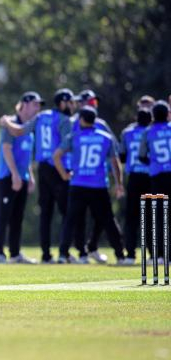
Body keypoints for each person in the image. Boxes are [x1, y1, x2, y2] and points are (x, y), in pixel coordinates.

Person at [0, 88, 74, 264]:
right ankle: (64, 253)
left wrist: (5, 122)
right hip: (58, 167)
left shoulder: (41, 117)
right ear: (62, 103)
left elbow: (18, 131)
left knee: (46, 214)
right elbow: (65, 147)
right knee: (67, 212)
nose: (73, 105)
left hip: (43, 169)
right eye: (70, 102)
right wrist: (64, 171)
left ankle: (46, 254)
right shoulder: (65, 120)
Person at [54, 106, 127, 265]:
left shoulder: (74, 136)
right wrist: (119, 183)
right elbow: (115, 163)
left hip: (78, 184)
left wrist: (64, 175)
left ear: (81, 119)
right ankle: (121, 255)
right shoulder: (105, 137)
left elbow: (57, 156)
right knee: (108, 220)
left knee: (71, 220)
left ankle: (62, 254)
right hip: (98, 185)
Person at [0, 92, 43, 264]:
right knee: (3, 216)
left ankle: (15, 254)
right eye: (35, 104)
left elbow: (27, 156)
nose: (38, 108)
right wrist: (14, 174)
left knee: (18, 217)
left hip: (22, 177)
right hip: (8, 177)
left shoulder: (30, 129)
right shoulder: (10, 124)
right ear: (25, 104)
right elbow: (6, 150)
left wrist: (30, 176)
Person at [71, 89, 114, 263]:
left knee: (101, 216)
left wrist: (112, 172)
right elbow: (62, 148)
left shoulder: (101, 124)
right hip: (77, 177)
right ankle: (80, 252)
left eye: (94, 103)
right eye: (89, 102)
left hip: (98, 178)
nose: (92, 106)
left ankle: (92, 246)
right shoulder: (73, 123)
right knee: (77, 217)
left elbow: (114, 150)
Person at [138, 100, 171, 264]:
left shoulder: (148, 132)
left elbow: (142, 156)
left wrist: (154, 162)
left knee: (159, 216)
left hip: (157, 176)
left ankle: (159, 254)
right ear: (167, 114)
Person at [119, 107, 152, 265]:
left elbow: (123, 156)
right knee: (150, 216)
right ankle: (154, 254)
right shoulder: (151, 131)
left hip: (133, 178)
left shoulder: (127, 132)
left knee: (131, 218)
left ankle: (130, 254)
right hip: (150, 177)